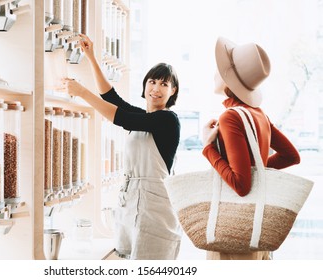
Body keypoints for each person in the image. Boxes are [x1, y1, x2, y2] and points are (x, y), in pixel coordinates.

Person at [63, 34, 182, 260]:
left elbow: (122, 118)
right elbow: (112, 99)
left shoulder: (168, 120)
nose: (156, 88)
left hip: (155, 212)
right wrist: (91, 58)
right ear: (145, 84)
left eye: (164, 84)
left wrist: (82, 92)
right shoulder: (146, 116)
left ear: (173, 91)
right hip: (132, 205)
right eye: (152, 82)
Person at [202, 37, 301, 260]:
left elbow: (241, 185)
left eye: (219, 70)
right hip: (257, 228)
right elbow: (291, 156)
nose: (214, 74)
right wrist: (257, 168)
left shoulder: (230, 117)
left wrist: (208, 147)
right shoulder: (260, 115)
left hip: (234, 231)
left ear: (228, 83)